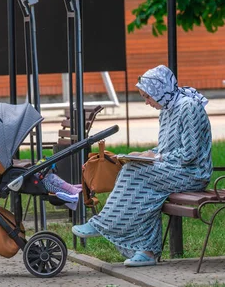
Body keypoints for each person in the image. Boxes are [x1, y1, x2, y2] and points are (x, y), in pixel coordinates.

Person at [72, 65, 212, 267]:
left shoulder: (188, 107)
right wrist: (148, 153)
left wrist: (156, 157)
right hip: (175, 170)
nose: (146, 102)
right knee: (139, 182)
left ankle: (103, 225)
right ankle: (147, 252)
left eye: (147, 96)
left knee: (134, 172)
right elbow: (167, 148)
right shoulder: (167, 109)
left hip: (193, 173)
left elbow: (189, 154)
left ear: (159, 90)